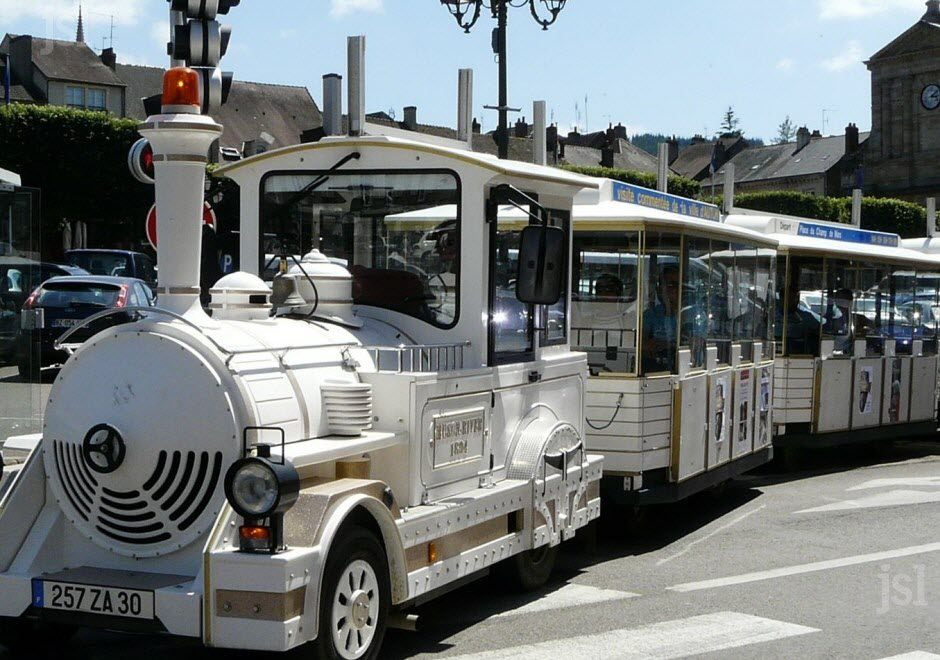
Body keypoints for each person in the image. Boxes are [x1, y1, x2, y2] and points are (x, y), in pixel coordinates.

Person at [642, 265, 682, 373]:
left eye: (672, 285)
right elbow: (641, 343)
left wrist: (668, 346)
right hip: (653, 367)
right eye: (664, 286)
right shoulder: (651, 314)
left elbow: (692, 344)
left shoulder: (691, 314)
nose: (667, 290)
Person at [777, 286, 821, 355]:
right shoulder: (772, 316)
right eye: (790, 299)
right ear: (781, 299)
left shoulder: (806, 317)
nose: (794, 302)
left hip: (798, 355)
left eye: (796, 299)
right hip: (776, 353)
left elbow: (819, 330)